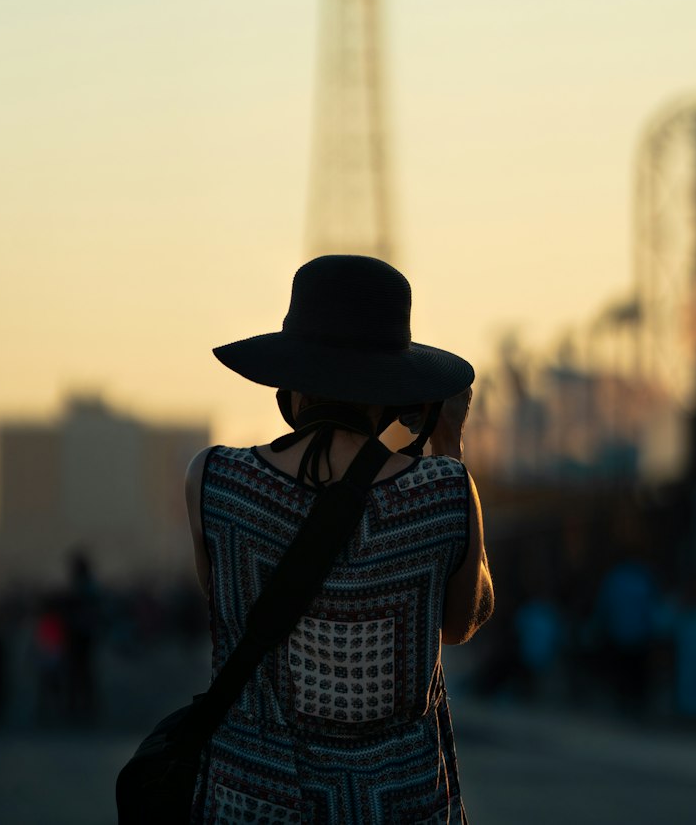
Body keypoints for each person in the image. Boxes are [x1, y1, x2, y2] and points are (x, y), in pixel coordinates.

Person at [185, 254, 493, 824]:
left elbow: (223, 607)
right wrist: (447, 446)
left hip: (253, 802)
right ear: (399, 392)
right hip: (398, 806)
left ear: (290, 380)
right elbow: (462, 622)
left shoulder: (214, 481)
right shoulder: (444, 491)